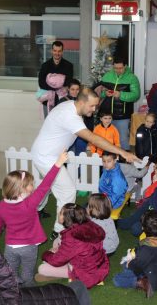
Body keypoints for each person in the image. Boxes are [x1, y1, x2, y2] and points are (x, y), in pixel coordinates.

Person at [30, 87, 137, 239]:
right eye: (92, 106)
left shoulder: (69, 106)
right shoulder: (70, 116)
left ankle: (31, 209)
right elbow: (93, 138)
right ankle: (60, 230)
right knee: (67, 191)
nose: (94, 110)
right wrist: (122, 152)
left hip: (48, 154)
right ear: (81, 102)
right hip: (46, 157)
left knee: (47, 186)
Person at [0, 217, 91, 305]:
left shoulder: (1, 298)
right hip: (63, 295)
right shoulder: (6, 298)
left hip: (57, 295)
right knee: (78, 286)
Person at [0, 151, 68, 287]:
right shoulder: (30, 203)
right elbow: (46, 184)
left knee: (11, 273)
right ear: (22, 189)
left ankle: (13, 290)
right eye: (31, 184)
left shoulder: (2, 205)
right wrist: (58, 164)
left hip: (10, 248)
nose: (34, 186)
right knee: (27, 275)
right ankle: (29, 292)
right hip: (29, 248)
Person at [36, 203, 109, 289]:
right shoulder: (89, 224)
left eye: (60, 213)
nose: (59, 213)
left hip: (86, 273)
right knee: (57, 241)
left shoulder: (72, 237)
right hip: (98, 265)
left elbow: (56, 261)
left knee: (42, 268)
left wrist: (46, 254)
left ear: (66, 218)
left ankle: (66, 273)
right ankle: (60, 263)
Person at [113, 210, 157, 298]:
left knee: (117, 279)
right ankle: (144, 279)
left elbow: (139, 263)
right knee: (126, 265)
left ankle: (143, 283)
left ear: (143, 229)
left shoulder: (148, 248)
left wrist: (130, 263)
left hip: (151, 272)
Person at [93, 58, 141, 151]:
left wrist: (121, 95)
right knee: (105, 138)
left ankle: (124, 161)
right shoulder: (107, 76)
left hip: (122, 116)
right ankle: (106, 160)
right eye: (115, 68)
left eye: (120, 68)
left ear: (125, 66)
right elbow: (100, 92)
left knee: (122, 139)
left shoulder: (132, 78)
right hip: (106, 114)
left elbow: (136, 95)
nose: (118, 70)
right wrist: (105, 93)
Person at [37, 40, 74, 117]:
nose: (57, 53)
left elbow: (69, 81)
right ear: (51, 51)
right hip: (48, 100)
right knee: (48, 122)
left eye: (59, 51)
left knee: (62, 123)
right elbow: (41, 82)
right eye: (55, 51)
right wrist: (55, 86)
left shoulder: (68, 65)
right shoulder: (45, 65)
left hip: (63, 100)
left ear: (62, 51)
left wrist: (53, 82)